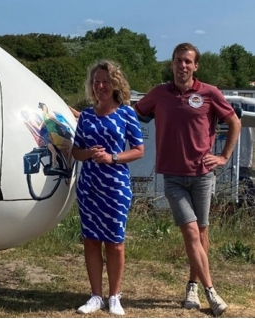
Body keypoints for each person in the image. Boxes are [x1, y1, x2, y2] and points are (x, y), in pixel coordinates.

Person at [133, 42, 241, 316]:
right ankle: (211, 291)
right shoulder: (159, 94)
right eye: (178, 61)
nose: (182, 66)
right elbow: (133, 114)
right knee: (191, 231)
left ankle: (192, 285)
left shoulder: (209, 93)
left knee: (202, 232)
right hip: (173, 176)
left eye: (188, 62)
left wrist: (224, 157)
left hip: (203, 175)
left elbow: (235, 123)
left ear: (196, 66)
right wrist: (91, 113)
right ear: (172, 64)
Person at [72, 60, 144, 316]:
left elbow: (139, 150)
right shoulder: (87, 115)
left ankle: (114, 295)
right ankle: (95, 295)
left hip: (115, 186)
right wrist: (89, 153)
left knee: (115, 243)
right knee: (91, 242)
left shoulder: (126, 113)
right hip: (89, 185)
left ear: (115, 84)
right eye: (96, 82)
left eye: (105, 81)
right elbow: (75, 152)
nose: (100, 86)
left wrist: (112, 158)